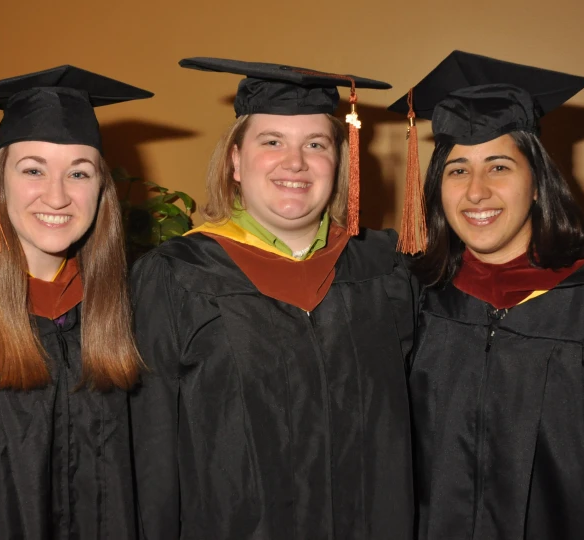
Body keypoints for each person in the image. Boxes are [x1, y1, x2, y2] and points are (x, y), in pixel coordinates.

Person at [130, 58, 419, 539]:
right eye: (272, 142)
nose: (296, 162)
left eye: (316, 144)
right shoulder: (177, 276)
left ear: (339, 161)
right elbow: (151, 449)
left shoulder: (383, 271)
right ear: (236, 161)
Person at [389, 51, 584, 540]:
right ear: (436, 189)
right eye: (456, 170)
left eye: (498, 166)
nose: (475, 192)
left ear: (537, 183)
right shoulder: (417, 298)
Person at [0, 66, 152, 539]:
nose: (56, 196)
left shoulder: (117, 309)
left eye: (79, 172)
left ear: (102, 190)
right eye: (33, 169)